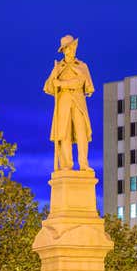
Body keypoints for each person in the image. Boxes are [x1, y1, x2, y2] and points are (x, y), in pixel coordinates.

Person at [43, 35, 94, 171]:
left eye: (72, 47)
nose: (71, 50)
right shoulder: (58, 67)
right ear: (64, 50)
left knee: (81, 133)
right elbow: (47, 86)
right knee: (64, 134)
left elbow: (81, 81)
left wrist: (61, 83)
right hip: (63, 102)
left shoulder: (82, 66)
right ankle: (66, 165)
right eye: (67, 48)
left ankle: (84, 164)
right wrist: (54, 80)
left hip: (78, 101)